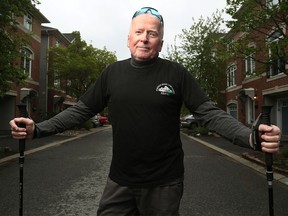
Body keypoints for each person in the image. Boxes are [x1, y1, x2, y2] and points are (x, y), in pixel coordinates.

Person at [10, 7, 281, 216]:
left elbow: (209, 113)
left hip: (164, 184)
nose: (144, 38)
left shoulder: (176, 73)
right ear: (129, 39)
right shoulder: (111, 73)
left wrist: (250, 137)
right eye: (139, 32)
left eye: (152, 34)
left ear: (160, 42)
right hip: (120, 181)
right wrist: (39, 128)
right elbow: (80, 110)